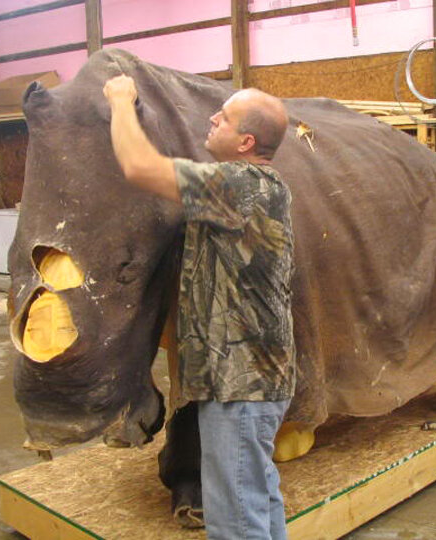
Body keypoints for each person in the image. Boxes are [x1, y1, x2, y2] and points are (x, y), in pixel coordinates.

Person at [104, 74, 295, 540]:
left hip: (242, 387)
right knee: (257, 497)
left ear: (246, 141)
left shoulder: (243, 185)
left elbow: (137, 166)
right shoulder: (253, 188)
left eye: (224, 117)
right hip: (248, 383)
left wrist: (120, 101)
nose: (212, 119)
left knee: (234, 516)